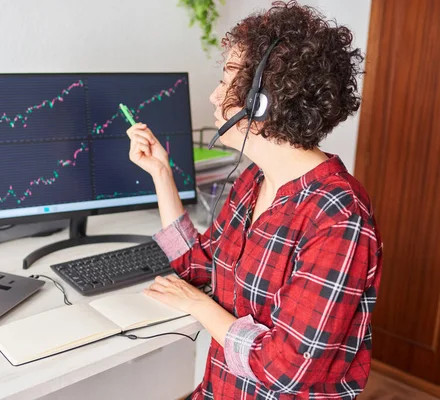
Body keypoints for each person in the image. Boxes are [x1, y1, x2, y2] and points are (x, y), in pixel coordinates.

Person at [126, 1, 383, 399]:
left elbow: (284, 368)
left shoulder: (338, 218)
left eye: (229, 78)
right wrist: (161, 173)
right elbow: (200, 267)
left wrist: (197, 305)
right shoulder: (252, 182)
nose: (214, 96)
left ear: (265, 99)